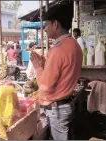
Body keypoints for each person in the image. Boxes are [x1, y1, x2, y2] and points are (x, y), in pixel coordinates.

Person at [30, 4, 82, 140]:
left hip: (58, 109)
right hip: (67, 104)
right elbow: (63, 72)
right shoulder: (74, 45)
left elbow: (45, 87)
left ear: (55, 24)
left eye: (46, 25)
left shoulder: (58, 50)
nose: (45, 29)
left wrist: (37, 66)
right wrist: (45, 65)